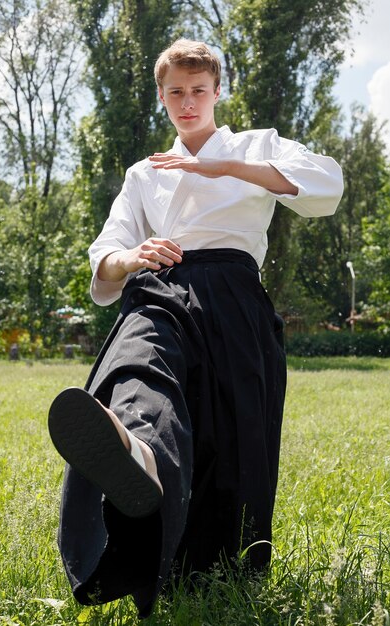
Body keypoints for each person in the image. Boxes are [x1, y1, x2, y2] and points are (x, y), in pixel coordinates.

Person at [48, 39, 343, 618]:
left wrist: (224, 165)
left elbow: (325, 188)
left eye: (198, 91)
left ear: (215, 92)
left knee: (228, 433)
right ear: (161, 96)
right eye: (175, 93)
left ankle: (203, 554)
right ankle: (140, 454)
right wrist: (134, 256)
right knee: (137, 368)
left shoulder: (257, 146)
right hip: (160, 283)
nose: (188, 103)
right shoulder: (143, 173)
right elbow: (104, 255)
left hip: (234, 294)